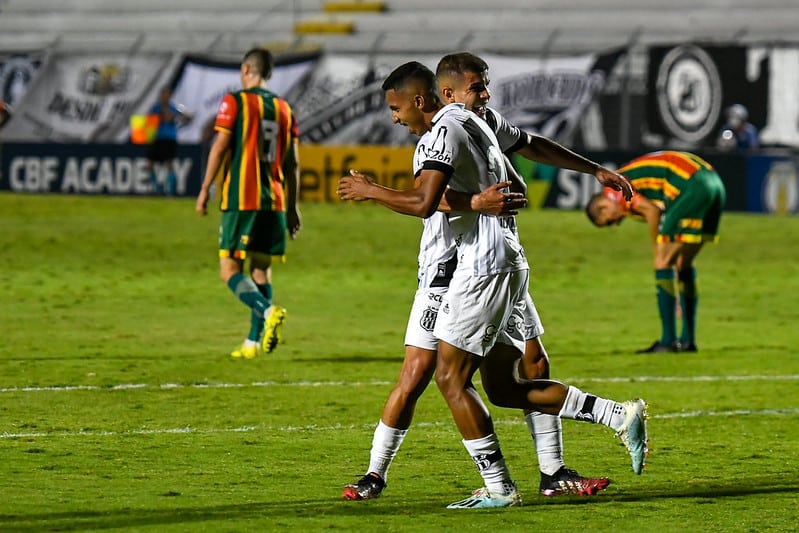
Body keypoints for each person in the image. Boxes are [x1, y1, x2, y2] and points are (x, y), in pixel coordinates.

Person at [338, 61, 648, 509]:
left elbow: (428, 200)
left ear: (424, 99)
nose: (486, 96)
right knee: (489, 384)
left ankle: (511, 484)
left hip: (474, 268)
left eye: (395, 107)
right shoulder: (470, 124)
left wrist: (372, 191)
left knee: (451, 377)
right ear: (448, 92)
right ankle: (612, 418)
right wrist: (482, 199)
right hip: (473, 265)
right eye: (478, 87)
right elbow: (497, 179)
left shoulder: (450, 129)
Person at [196, 48, 301, 359]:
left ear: (246, 69)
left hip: (243, 199)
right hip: (275, 201)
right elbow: (292, 163)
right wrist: (293, 207)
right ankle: (253, 343)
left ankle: (267, 311)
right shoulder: (285, 108)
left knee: (229, 270)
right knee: (260, 271)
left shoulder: (236, 101)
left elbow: (220, 146)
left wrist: (204, 189)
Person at [585, 151, 726, 353]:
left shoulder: (613, 189)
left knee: (662, 263)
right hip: (714, 183)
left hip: (691, 185)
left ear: (603, 206)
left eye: (609, 220)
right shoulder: (627, 178)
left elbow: (652, 211)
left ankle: (668, 341)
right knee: (682, 264)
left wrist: (658, 251)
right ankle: (687, 340)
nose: (616, 223)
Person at [146, 86, 193, 195]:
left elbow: (188, 116)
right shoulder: (156, 108)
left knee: (169, 164)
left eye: (166, 94)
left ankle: (170, 191)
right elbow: (149, 122)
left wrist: (180, 119)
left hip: (169, 138)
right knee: (150, 164)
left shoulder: (174, 107)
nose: (164, 97)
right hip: (156, 138)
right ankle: (156, 189)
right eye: (162, 94)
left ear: (170, 96)